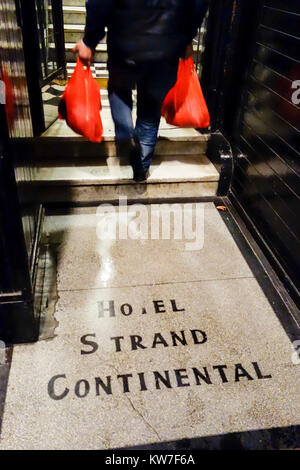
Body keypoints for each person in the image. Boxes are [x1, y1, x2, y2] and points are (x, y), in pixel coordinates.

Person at [74, 0, 208, 182]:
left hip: (125, 45)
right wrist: (185, 38)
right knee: (150, 110)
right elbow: (198, 5)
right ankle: (141, 169)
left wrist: (90, 41)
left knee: (119, 91)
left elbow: (99, 3)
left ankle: (126, 134)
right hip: (166, 48)